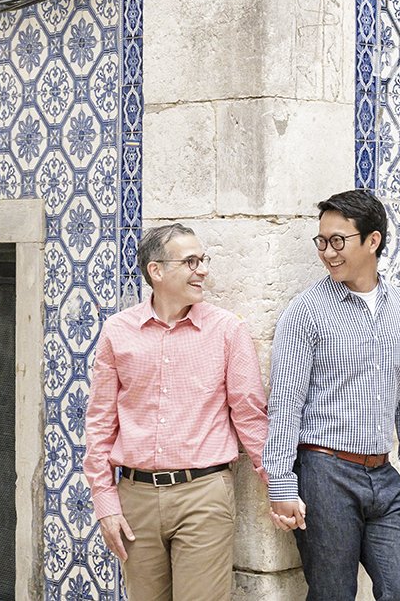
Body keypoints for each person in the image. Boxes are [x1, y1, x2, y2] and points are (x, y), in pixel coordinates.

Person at [83, 223, 269, 601]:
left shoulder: (227, 330)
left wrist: (279, 485)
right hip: (134, 498)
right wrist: (105, 503)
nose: (202, 270)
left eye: (203, 260)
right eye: (191, 261)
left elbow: (250, 417)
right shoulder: (117, 331)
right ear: (157, 271)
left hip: (203, 495)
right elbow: (100, 422)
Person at [264, 189, 400, 601]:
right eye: (322, 242)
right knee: (333, 595)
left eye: (338, 241)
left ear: (372, 240)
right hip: (325, 474)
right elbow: (286, 402)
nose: (328, 252)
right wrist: (282, 484)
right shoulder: (306, 311)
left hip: (384, 475)